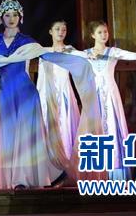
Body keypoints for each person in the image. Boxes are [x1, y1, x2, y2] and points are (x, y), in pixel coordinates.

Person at [0, 0, 62, 189]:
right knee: (10, 136)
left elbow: (43, 52)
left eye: (15, 15)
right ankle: (17, 178)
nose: (11, 18)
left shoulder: (26, 41)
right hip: (7, 94)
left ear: (21, 17)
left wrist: (69, 56)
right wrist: (9, 59)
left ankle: (22, 179)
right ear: (1, 18)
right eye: (7, 15)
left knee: (25, 137)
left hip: (26, 94)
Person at [73, 21, 136, 180]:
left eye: (105, 32)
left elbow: (131, 55)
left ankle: (115, 171)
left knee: (112, 126)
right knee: (93, 129)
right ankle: (96, 170)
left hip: (110, 93)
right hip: (94, 94)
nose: (104, 35)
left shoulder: (113, 51)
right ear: (93, 35)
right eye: (100, 32)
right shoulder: (86, 53)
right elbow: (71, 53)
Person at [36, 20, 80, 179]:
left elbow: (84, 59)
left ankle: (67, 167)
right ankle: (50, 169)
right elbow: (41, 78)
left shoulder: (70, 50)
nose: (61, 32)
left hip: (64, 92)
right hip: (47, 95)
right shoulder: (43, 52)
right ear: (50, 31)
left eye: (64, 29)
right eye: (57, 29)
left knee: (65, 127)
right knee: (49, 129)